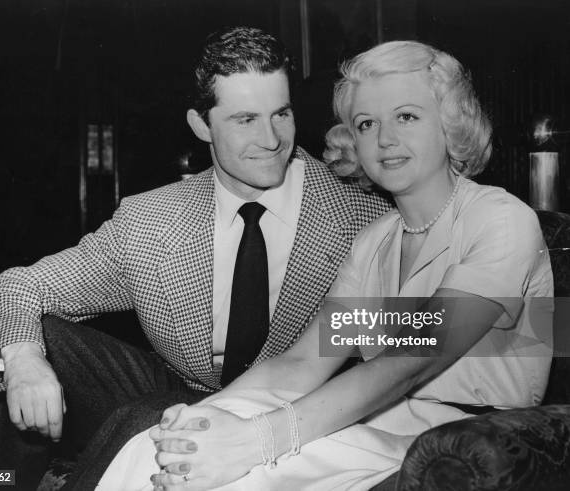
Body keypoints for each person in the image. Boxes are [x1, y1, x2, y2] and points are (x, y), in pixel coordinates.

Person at [96, 40, 554, 491]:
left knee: (248, 472)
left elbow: (411, 362)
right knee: (158, 448)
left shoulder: (500, 219)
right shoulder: (375, 241)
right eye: (366, 123)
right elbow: (303, 362)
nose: (385, 139)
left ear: (451, 124)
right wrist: (208, 416)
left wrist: (256, 439)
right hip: (375, 421)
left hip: (468, 442)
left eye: (407, 116)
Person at [0, 27, 389, 489]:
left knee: (142, 419)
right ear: (201, 125)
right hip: (178, 390)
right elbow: (16, 287)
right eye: (245, 120)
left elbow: (415, 351)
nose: (271, 139)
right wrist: (23, 361)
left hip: (293, 413)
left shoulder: (366, 218)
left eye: (281, 114)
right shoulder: (151, 219)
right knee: (14, 352)